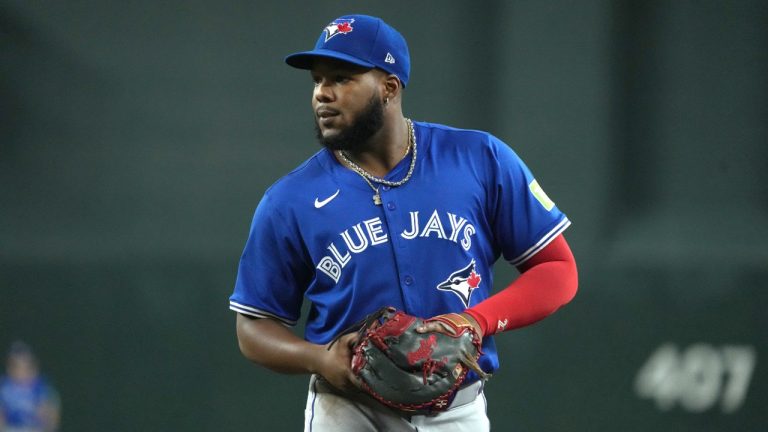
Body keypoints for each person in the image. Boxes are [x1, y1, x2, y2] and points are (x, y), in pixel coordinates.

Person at [229, 14, 578, 431]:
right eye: (317, 81)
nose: (323, 94)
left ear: (389, 88)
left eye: (341, 78)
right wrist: (319, 358)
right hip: (349, 410)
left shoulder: (479, 159)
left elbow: (557, 270)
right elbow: (253, 327)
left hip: (458, 410)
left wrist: (474, 321)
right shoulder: (289, 199)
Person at [0, 342, 60, 432]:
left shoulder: (43, 388)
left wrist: (45, 416)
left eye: (27, 367)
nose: (21, 373)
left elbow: (52, 421)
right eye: (16, 367)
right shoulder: (3, 387)